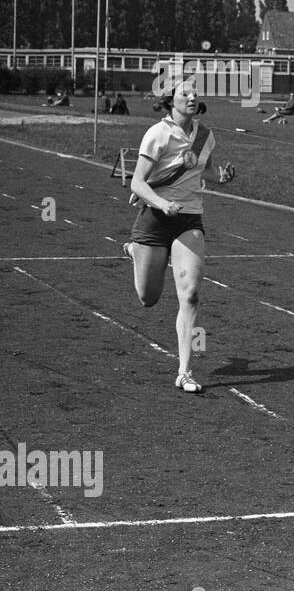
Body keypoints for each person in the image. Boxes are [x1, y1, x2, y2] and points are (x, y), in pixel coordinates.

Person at [122, 80, 235, 394]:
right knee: (148, 298)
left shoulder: (205, 136)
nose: (192, 96)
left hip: (189, 220)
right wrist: (161, 203)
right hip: (154, 219)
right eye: (185, 93)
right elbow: (137, 183)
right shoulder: (158, 134)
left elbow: (204, 169)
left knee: (190, 295)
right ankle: (134, 250)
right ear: (170, 101)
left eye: (195, 92)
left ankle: (184, 371)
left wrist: (221, 177)